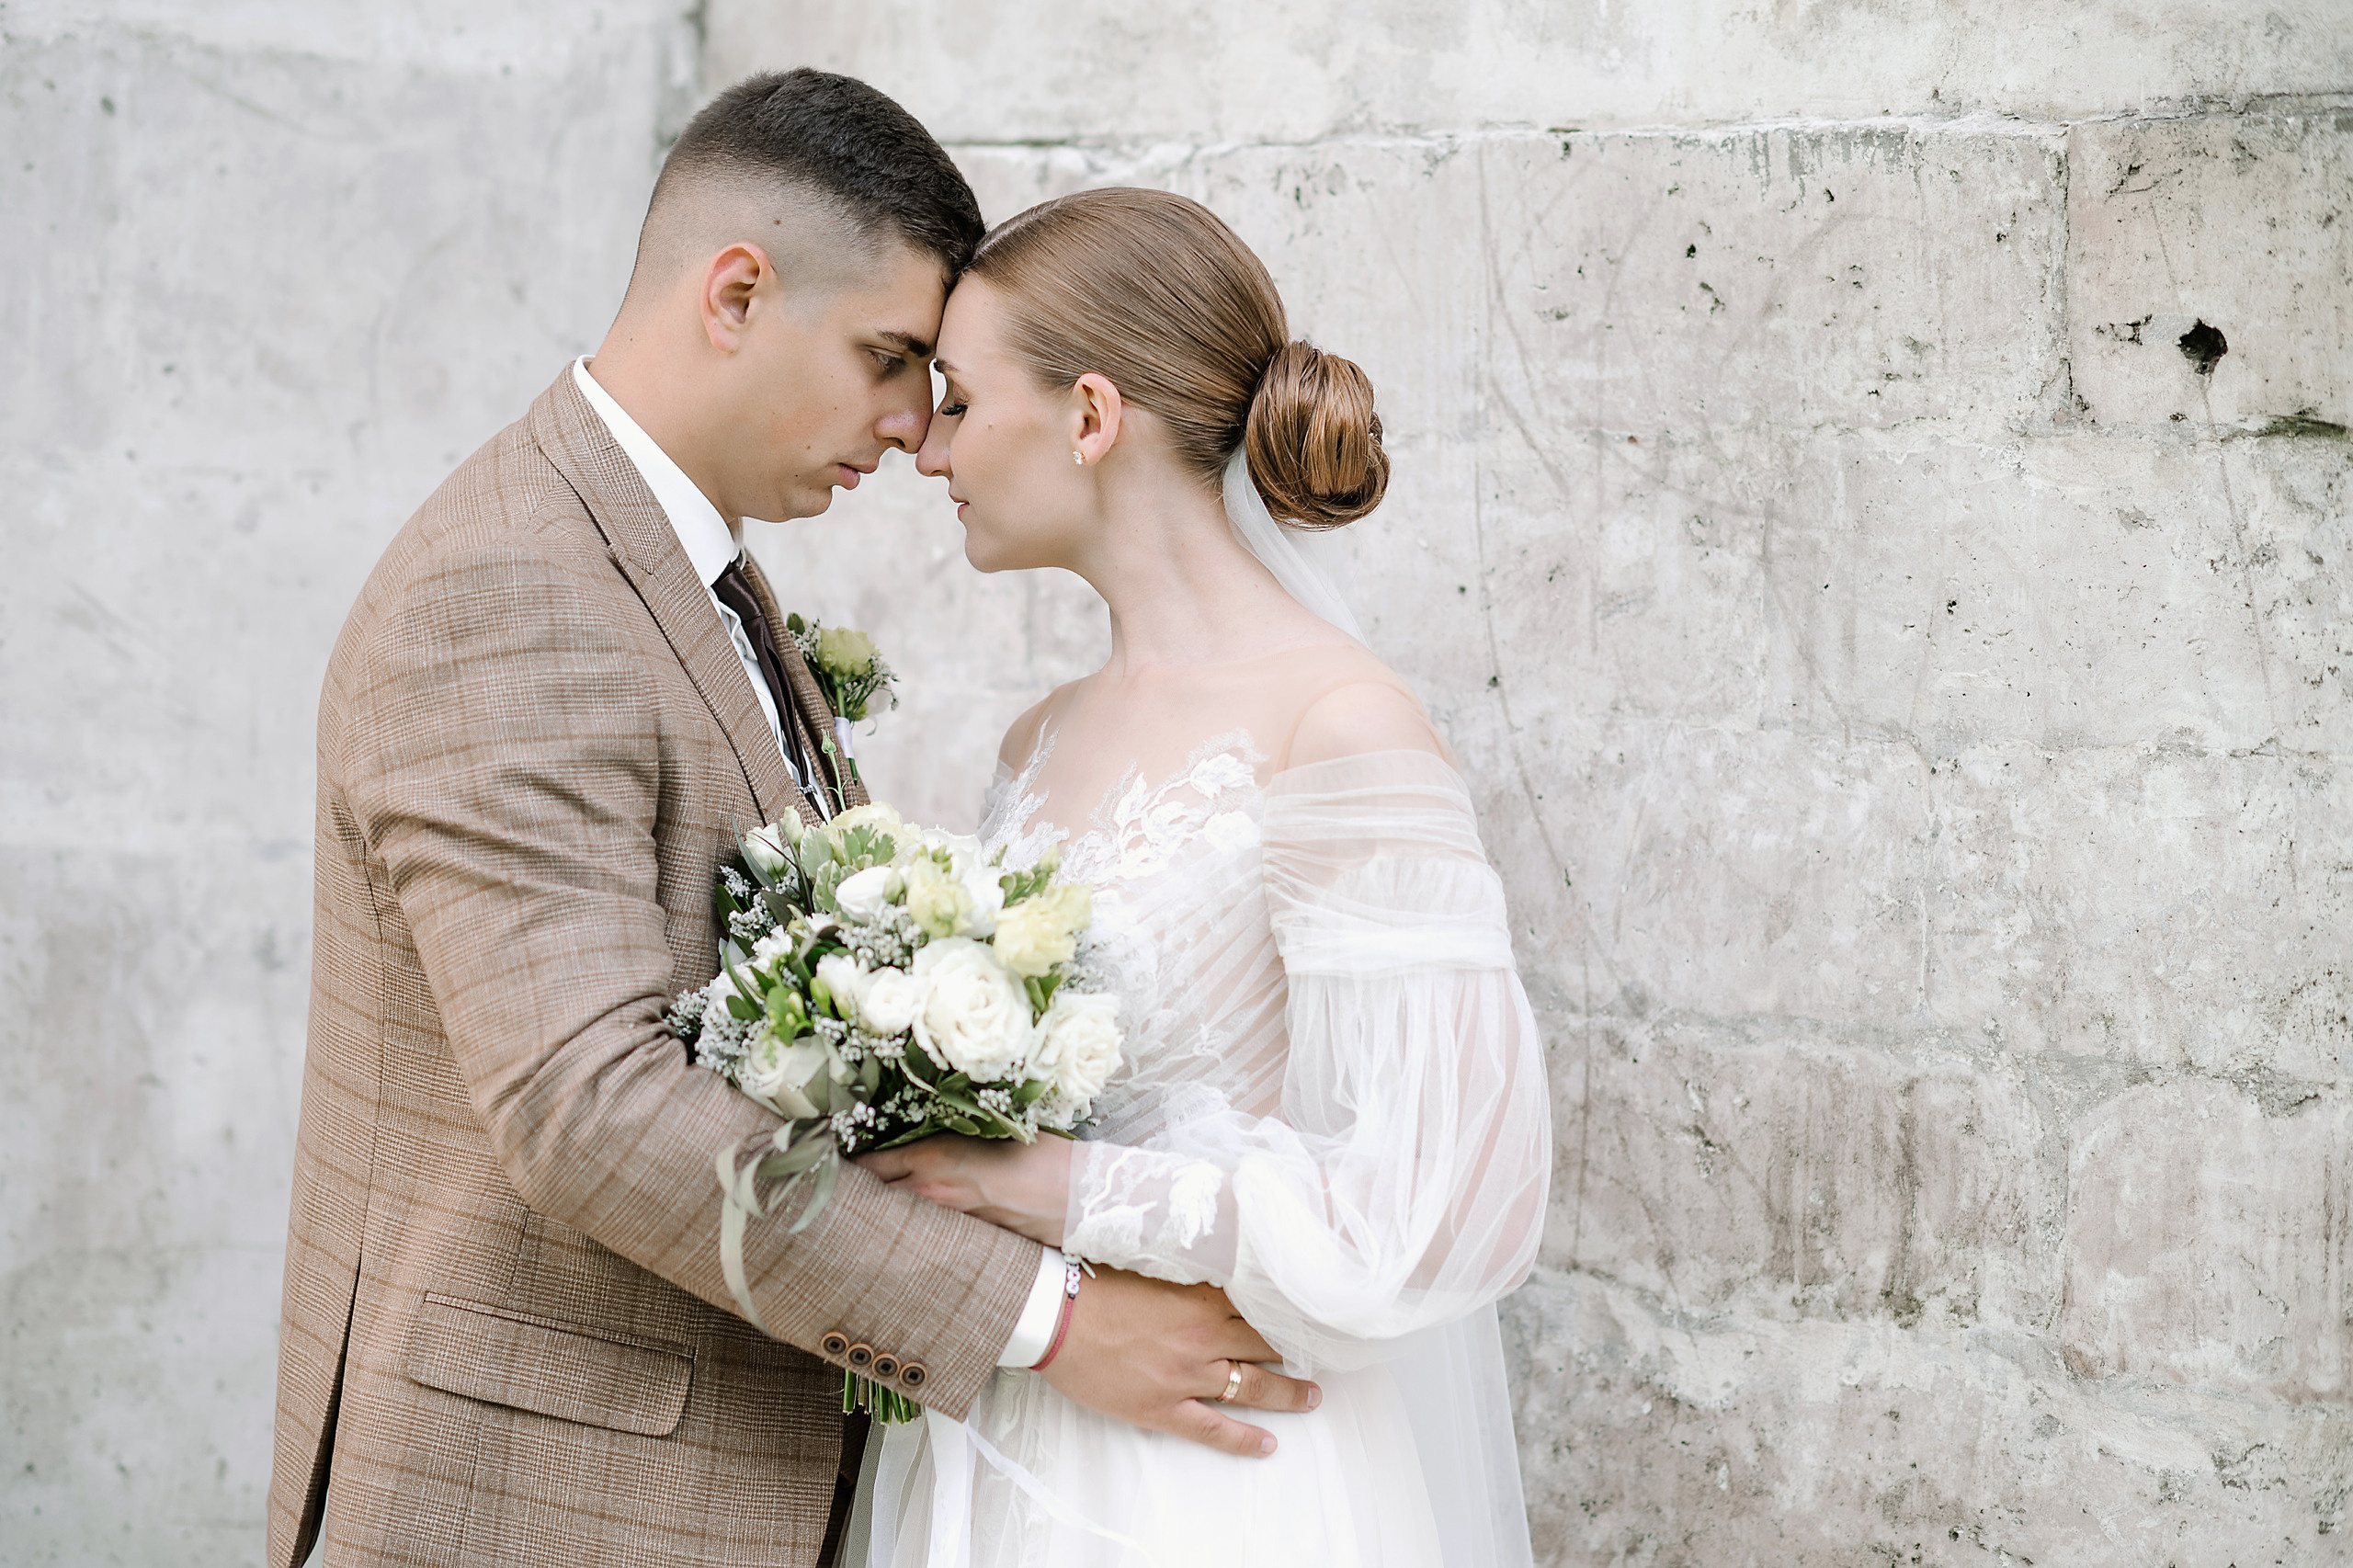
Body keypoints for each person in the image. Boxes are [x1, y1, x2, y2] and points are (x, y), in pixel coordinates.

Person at [267, 74, 1316, 1568]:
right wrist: (1046, 1318)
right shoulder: (507, 585)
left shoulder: (691, 571)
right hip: (542, 1498)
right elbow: (587, 1101)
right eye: (892, 358)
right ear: (738, 292)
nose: (911, 429)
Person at [847, 187, 1552, 1565]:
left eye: (960, 400)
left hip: (1215, 1473)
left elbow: (1449, 1204)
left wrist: (1051, 1187)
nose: (928, 449)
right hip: (1012, 1427)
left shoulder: (1338, 726)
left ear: (1091, 416)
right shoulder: (1035, 738)